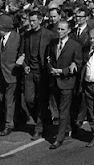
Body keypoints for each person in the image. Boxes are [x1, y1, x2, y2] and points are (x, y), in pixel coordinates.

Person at [19, 10, 56, 140]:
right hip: (30, 72)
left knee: (41, 101)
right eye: (30, 20)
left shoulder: (49, 35)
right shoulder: (26, 35)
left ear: (40, 20)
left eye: (34, 20)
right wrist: (25, 66)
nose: (32, 23)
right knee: (29, 99)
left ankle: (39, 128)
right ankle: (44, 118)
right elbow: (21, 53)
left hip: (42, 73)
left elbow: (54, 52)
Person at [46, 19, 82, 150]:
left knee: (63, 110)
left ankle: (59, 137)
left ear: (68, 31)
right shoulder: (53, 43)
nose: (59, 32)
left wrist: (63, 71)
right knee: (58, 109)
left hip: (67, 82)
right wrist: (51, 69)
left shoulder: (75, 45)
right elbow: (48, 58)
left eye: (62, 29)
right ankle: (70, 128)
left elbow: (78, 64)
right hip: (54, 80)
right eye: (58, 29)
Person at [0, 14, 21, 136]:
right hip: (0, 74)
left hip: (12, 74)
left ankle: (9, 124)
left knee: (9, 100)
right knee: (0, 99)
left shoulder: (17, 38)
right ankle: (14, 117)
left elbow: (21, 53)